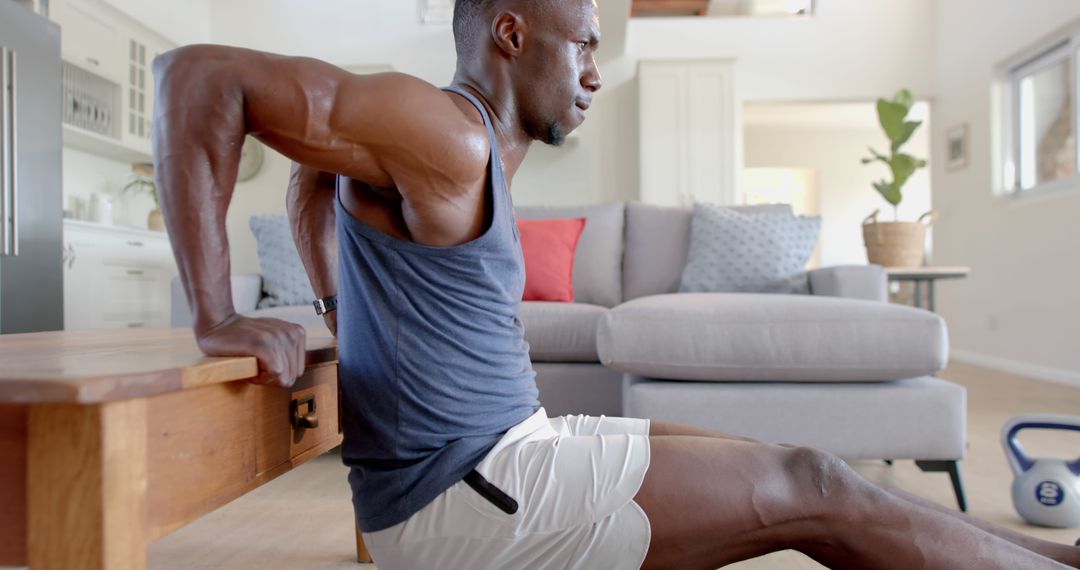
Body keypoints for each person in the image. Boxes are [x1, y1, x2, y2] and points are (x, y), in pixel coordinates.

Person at [153, 0, 1079, 568]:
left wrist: (333, 307)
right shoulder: (448, 132)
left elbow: (314, 172)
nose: (598, 72)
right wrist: (217, 315)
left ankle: (1048, 554)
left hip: (513, 449)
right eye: (584, 43)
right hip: (468, 499)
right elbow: (202, 77)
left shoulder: (444, 145)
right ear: (512, 33)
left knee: (802, 463)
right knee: (811, 487)